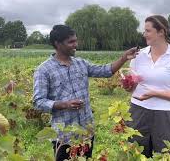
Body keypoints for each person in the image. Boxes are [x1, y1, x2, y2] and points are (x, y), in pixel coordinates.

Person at [33, 25, 138, 161]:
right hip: (64, 137)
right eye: (71, 42)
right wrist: (64, 104)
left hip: (86, 132)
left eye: (76, 40)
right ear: (57, 44)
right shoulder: (44, 70)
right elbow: (38, 101)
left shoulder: (81, 63)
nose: (75, 45)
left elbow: (105, 71)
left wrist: (124, 58)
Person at [124, 15, 170, 158]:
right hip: (137, 112)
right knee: (135, 154)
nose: (144, 34)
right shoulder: (139, 55)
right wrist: (127, 85)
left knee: (169, 155)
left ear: (161, 32)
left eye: (148, 31)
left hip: (165, 114)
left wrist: (156, 93)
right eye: (144, 30)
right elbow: (131, 86)